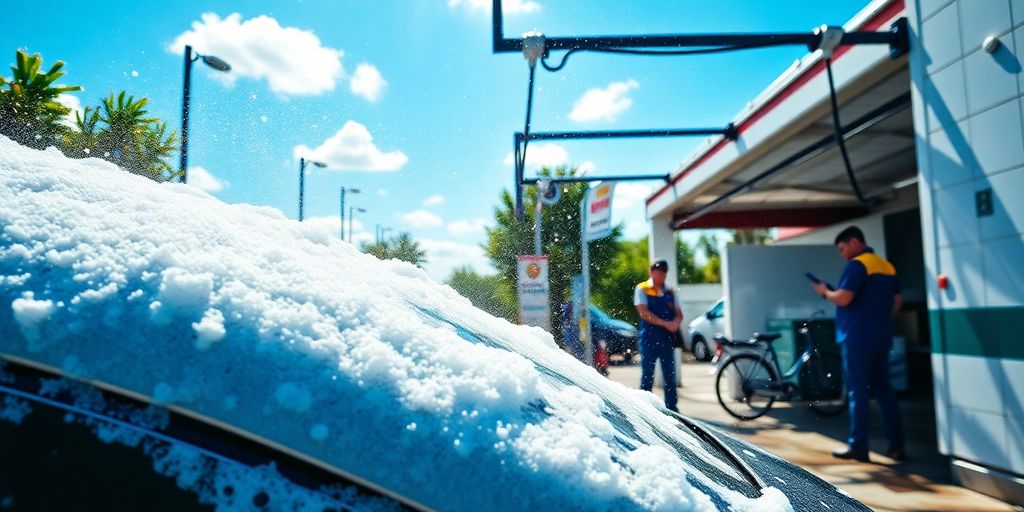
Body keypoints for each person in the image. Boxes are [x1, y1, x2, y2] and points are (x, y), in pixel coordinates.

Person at [811, 226, 905, 463]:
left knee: (858, 392)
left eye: (843, 248)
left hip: (856, 338)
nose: (842, 254)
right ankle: (896, 446)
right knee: (884, 390)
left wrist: (825, 292)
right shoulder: (887, 266)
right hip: (881, 337)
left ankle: (859, 447)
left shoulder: (858, 265)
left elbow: (844, 298)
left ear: (853, 242)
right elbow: (896, 302)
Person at [634, 259, 683, 412]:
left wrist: (676, 322)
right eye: (657, 272)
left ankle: (672, 408)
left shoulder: (671, 291)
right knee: (647, 374)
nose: (660, 275)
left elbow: (679, 314)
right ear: (651, 272)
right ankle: (644, 408)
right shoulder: (642, 288)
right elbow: (643, 313)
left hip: (667, 340)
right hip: (649, 339)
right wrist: (665, 323)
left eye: (663, 273)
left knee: (670, 374)